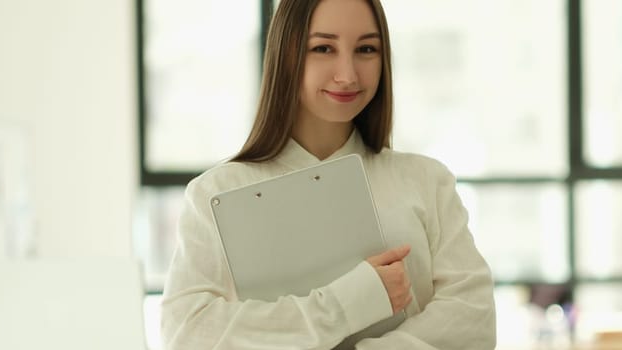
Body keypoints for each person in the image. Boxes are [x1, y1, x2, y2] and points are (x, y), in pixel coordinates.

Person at [160, 0, 496, 348]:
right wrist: (347, 303)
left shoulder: (426, 181)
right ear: (286, 54)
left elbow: (474, 320)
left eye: (366, 49)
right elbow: (187, 334)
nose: (348, 74)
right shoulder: (217, 192)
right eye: (323, 48)